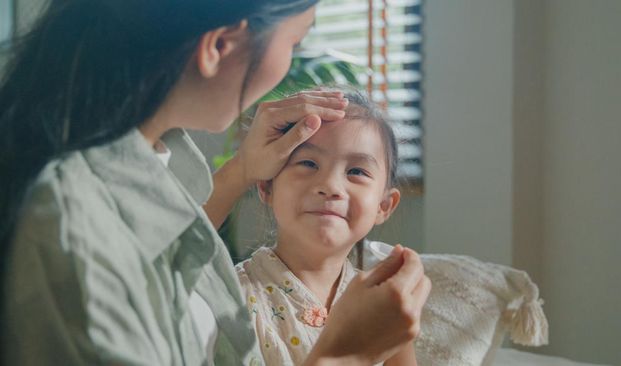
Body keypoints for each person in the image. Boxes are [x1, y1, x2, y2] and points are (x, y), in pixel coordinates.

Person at [0, 1, 431, 365]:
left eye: (356, 171)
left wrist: (241, 170)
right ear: (221, 45)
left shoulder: (155, 164)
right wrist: (345, 354)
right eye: (294, 42)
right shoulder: (69, 227)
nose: (331, 186)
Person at [236, 88, 418, 365]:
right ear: (266, 187)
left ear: (384, 205)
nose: (331, 186)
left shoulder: (382, 305)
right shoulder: (234, 294)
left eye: (356, 171)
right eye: (308, 163)